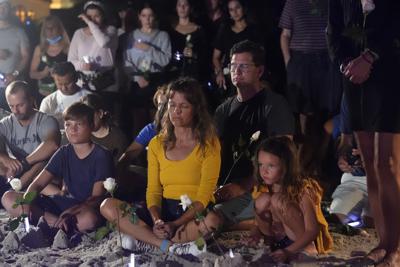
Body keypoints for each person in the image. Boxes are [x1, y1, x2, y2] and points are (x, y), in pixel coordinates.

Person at [100, 78, 220, 255]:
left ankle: (147, 241)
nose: (176, 112)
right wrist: (157, 220)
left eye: (184, 106)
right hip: (163, 210)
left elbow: (204, 196)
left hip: (192, 212)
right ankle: (168, 246)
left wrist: (175, 224)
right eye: (172, 105)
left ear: (196, 109)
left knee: (212, 222)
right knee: (107, 205)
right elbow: (153, 190)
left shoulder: (209, 144)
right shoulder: (157, 143)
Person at [327, 1, 400, 265]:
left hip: (389, 76)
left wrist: (368, 57)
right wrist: (346, 64)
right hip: (355, 81)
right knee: (370, 165)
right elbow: (333, 32)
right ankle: (383, 242)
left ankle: (396, 246)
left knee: (387, 164)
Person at [1, 102, 114, 233]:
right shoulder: (63, 152)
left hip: (84, 208)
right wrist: (27, 202)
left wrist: (70, 213)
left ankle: (53, 225)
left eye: (79, 124)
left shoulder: (101, 155)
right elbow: (37, 184)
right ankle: (57, 225)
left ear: (91, 126)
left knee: (90, 219)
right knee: (8, 197)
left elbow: (95, 198)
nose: (72, 130)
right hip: (62, 203)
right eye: (68, 125)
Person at [214, 40, 294, 185]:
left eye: (244, 66)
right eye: (233, 66)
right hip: (226, 184)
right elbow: (214, 154)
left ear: (260, 71)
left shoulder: (274, 104)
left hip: (261, 186)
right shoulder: (223, 110)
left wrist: (244, 186)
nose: (236, 72)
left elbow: (283, 156)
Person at [248, 137, 333, 263]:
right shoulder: (265, 188)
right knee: (262, 201)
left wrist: (288, 251)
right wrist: (255, 234)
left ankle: (305, 249)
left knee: (278, 200)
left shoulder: (302, 189)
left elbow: (312, 229)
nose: (264, 171)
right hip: (278, 239)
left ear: (286, 166)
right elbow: (257, 222)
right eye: (261, 164)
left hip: (301, 239)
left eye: (271, 165)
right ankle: (270, 245)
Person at [0, 81, 60, 201]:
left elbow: (52, 145)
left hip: (45, 173)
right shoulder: (6, 123)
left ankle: (18, 189)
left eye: (20, 105)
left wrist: (25, 163)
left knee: (43, 161)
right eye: (11, 106)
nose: (15, 110)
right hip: (19, 173)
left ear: (31, 100)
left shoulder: (46, 120)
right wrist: (4, 158)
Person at [122, 1, 171, 136]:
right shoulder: (132, 36)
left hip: (156, 80)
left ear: (155, 17)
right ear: (139, 17)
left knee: (157, 119)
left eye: (150, 16)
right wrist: (137, 78)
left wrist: (149, 49)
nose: (147, 19)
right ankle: (138, 154)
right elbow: (126, 61)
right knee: (138, 121)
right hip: (137, 80)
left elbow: (165, 60)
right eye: (144, 15)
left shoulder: (162, 36)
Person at [212, 0, 261, 97]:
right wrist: (219, 73)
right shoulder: (225, 30)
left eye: (237, 8)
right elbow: (215, 57)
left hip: (248, 74)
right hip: (229, 74)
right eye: (231, 9)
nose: (235, 12)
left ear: (243, 8)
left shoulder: (254, 30)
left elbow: (259, 56)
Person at [68, 1, 118, 93]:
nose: (93, 20)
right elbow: (71, 60)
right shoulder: (78, 33)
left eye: (96, 16)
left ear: (103, 16)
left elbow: (103, 42)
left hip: (106, 83)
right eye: (89, 17)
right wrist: (83, 66)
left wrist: (89, 22)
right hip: (84, 84)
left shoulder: (110, 30)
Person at [39, 62, 91, 128]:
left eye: (67, 83)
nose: (64, 88)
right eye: (60, 84)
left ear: (75, 79)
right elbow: (41, 127)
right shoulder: (48, 102)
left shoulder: (89, 98)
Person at [29, 15, 70, 98]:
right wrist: (43, 73)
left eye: (53, 27)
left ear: (59, 28)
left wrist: (58, 74)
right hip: (44, 95)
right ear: (44, 31)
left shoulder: (68, 48)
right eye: (47, 28)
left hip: (64, 94)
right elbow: (31, 74)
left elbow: (74, 72)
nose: (50, 30)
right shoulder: (40, 49)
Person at [81, 93, 128, 163]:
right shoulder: (82, 135)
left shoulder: (117, 137)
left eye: (89, 115)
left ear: (100, 113)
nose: (86, 120)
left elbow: (119, 167)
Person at [0, 0, 30, 110]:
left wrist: (14, 73)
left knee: (14, 118)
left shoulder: (19, 31)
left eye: (4, 6)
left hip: (13, 86)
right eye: (0, 6)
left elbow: (26, 56)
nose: (2, 9)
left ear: (9, 10)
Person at [168, 0, 207, 81]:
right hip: (174, 73)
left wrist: (194, 54)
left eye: (185, 5)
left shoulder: (199, 30)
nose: (182, 8)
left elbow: (205, 53)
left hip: (194, 73)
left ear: (190, 8)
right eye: (179, 5)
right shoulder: (170, 30)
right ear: (176, 8)